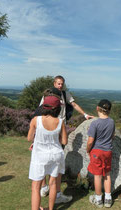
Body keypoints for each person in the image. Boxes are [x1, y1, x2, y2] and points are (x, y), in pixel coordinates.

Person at [40, 75, 94, 203]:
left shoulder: (65, 94)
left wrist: (85, 114)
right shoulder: (48, 95)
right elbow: (41, 109)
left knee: (56, 158)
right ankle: (44, 186)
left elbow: (74, 105)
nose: (60, 86)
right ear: (54, 83)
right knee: (44, 158)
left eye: (61, 84)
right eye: (58, 83)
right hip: (49, 127)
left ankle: (54, 187)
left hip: (60, 127)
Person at [28, 95, 67, 210]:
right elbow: (64, 141)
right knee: (53, 183)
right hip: (56, 154)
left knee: (36, 186)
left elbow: (30, 138)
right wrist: (54, 139)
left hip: (39, 155)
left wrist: (37, 140)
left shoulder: (36, 120)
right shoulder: (60, 122)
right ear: (57, 108)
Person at [86, 99, 115, 208]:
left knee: (97, 176)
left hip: (96, 152)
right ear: (109, 111)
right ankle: (108, 199)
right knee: (107, 174)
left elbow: (90, 141)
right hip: (108, 151)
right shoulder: (112, 122)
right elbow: (112, 136)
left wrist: (88, 149)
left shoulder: (94, 124)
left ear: (97, 108)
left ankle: (98, 199)